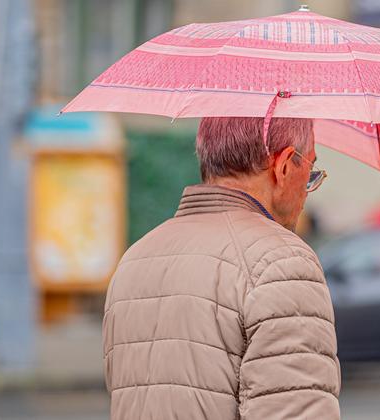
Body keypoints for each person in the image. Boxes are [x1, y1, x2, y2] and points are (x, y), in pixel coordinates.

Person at [102, 117, 340, 419]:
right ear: (283, 166)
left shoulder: (135, 260)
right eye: (311, 172)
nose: (308, 192)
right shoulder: (282, 261)